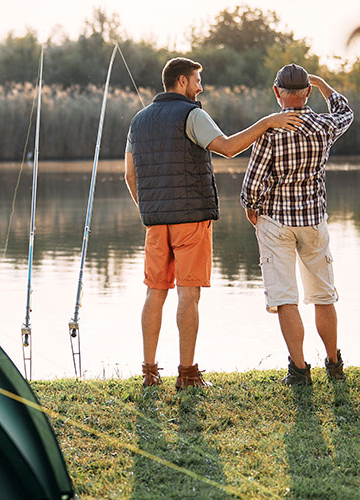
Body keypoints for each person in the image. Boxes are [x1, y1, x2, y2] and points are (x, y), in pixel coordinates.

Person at [124, 57, 301, 389]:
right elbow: (229, 148)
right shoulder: (192, 114)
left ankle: (149, 372)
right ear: (180, 82)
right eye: (196, 81)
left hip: (155, 222)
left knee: (155, 292)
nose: (200, 87)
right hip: (191, 221)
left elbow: (129, 175)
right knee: (188, 296)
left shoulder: (138, 121)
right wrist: (267, 122)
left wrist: (149, 210)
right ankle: (187, 374)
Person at [240, 64, 354, 385]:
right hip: (314, 220)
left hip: (276, 221)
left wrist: (252, 208)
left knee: (285, 298)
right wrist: (322, 85)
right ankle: (333, 364)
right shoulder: (324, 126)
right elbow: (346, 113)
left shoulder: (271, 130)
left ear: (277, 93)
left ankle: (300, 370)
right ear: (306, 92)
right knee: (323, 295)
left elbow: (253, 182)